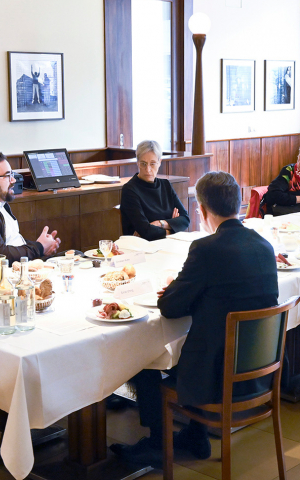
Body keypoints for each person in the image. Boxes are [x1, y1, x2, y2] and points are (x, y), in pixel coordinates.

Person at [110, 172, 279, 468]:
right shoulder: (263, 246)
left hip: (217, 377)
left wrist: (179, 289)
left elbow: (169, 307)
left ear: (202, 210)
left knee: (144, 359)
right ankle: (195, 434)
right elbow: (227, 293)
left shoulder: (205, 249)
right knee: (202, 340)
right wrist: (193, 289)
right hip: (260, 372)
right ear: (238, 203)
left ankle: (157, 443)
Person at [120, 140, 190, 240]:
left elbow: (185, 219)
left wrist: (160, 223)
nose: (148, 169)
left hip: (167, 244)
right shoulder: (130, 190)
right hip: (140, 248)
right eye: (143, 164)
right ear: (137, 162)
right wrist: (172, 227)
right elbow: (146, 231)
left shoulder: (166, 185)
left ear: (159, 162)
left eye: (152, 164)